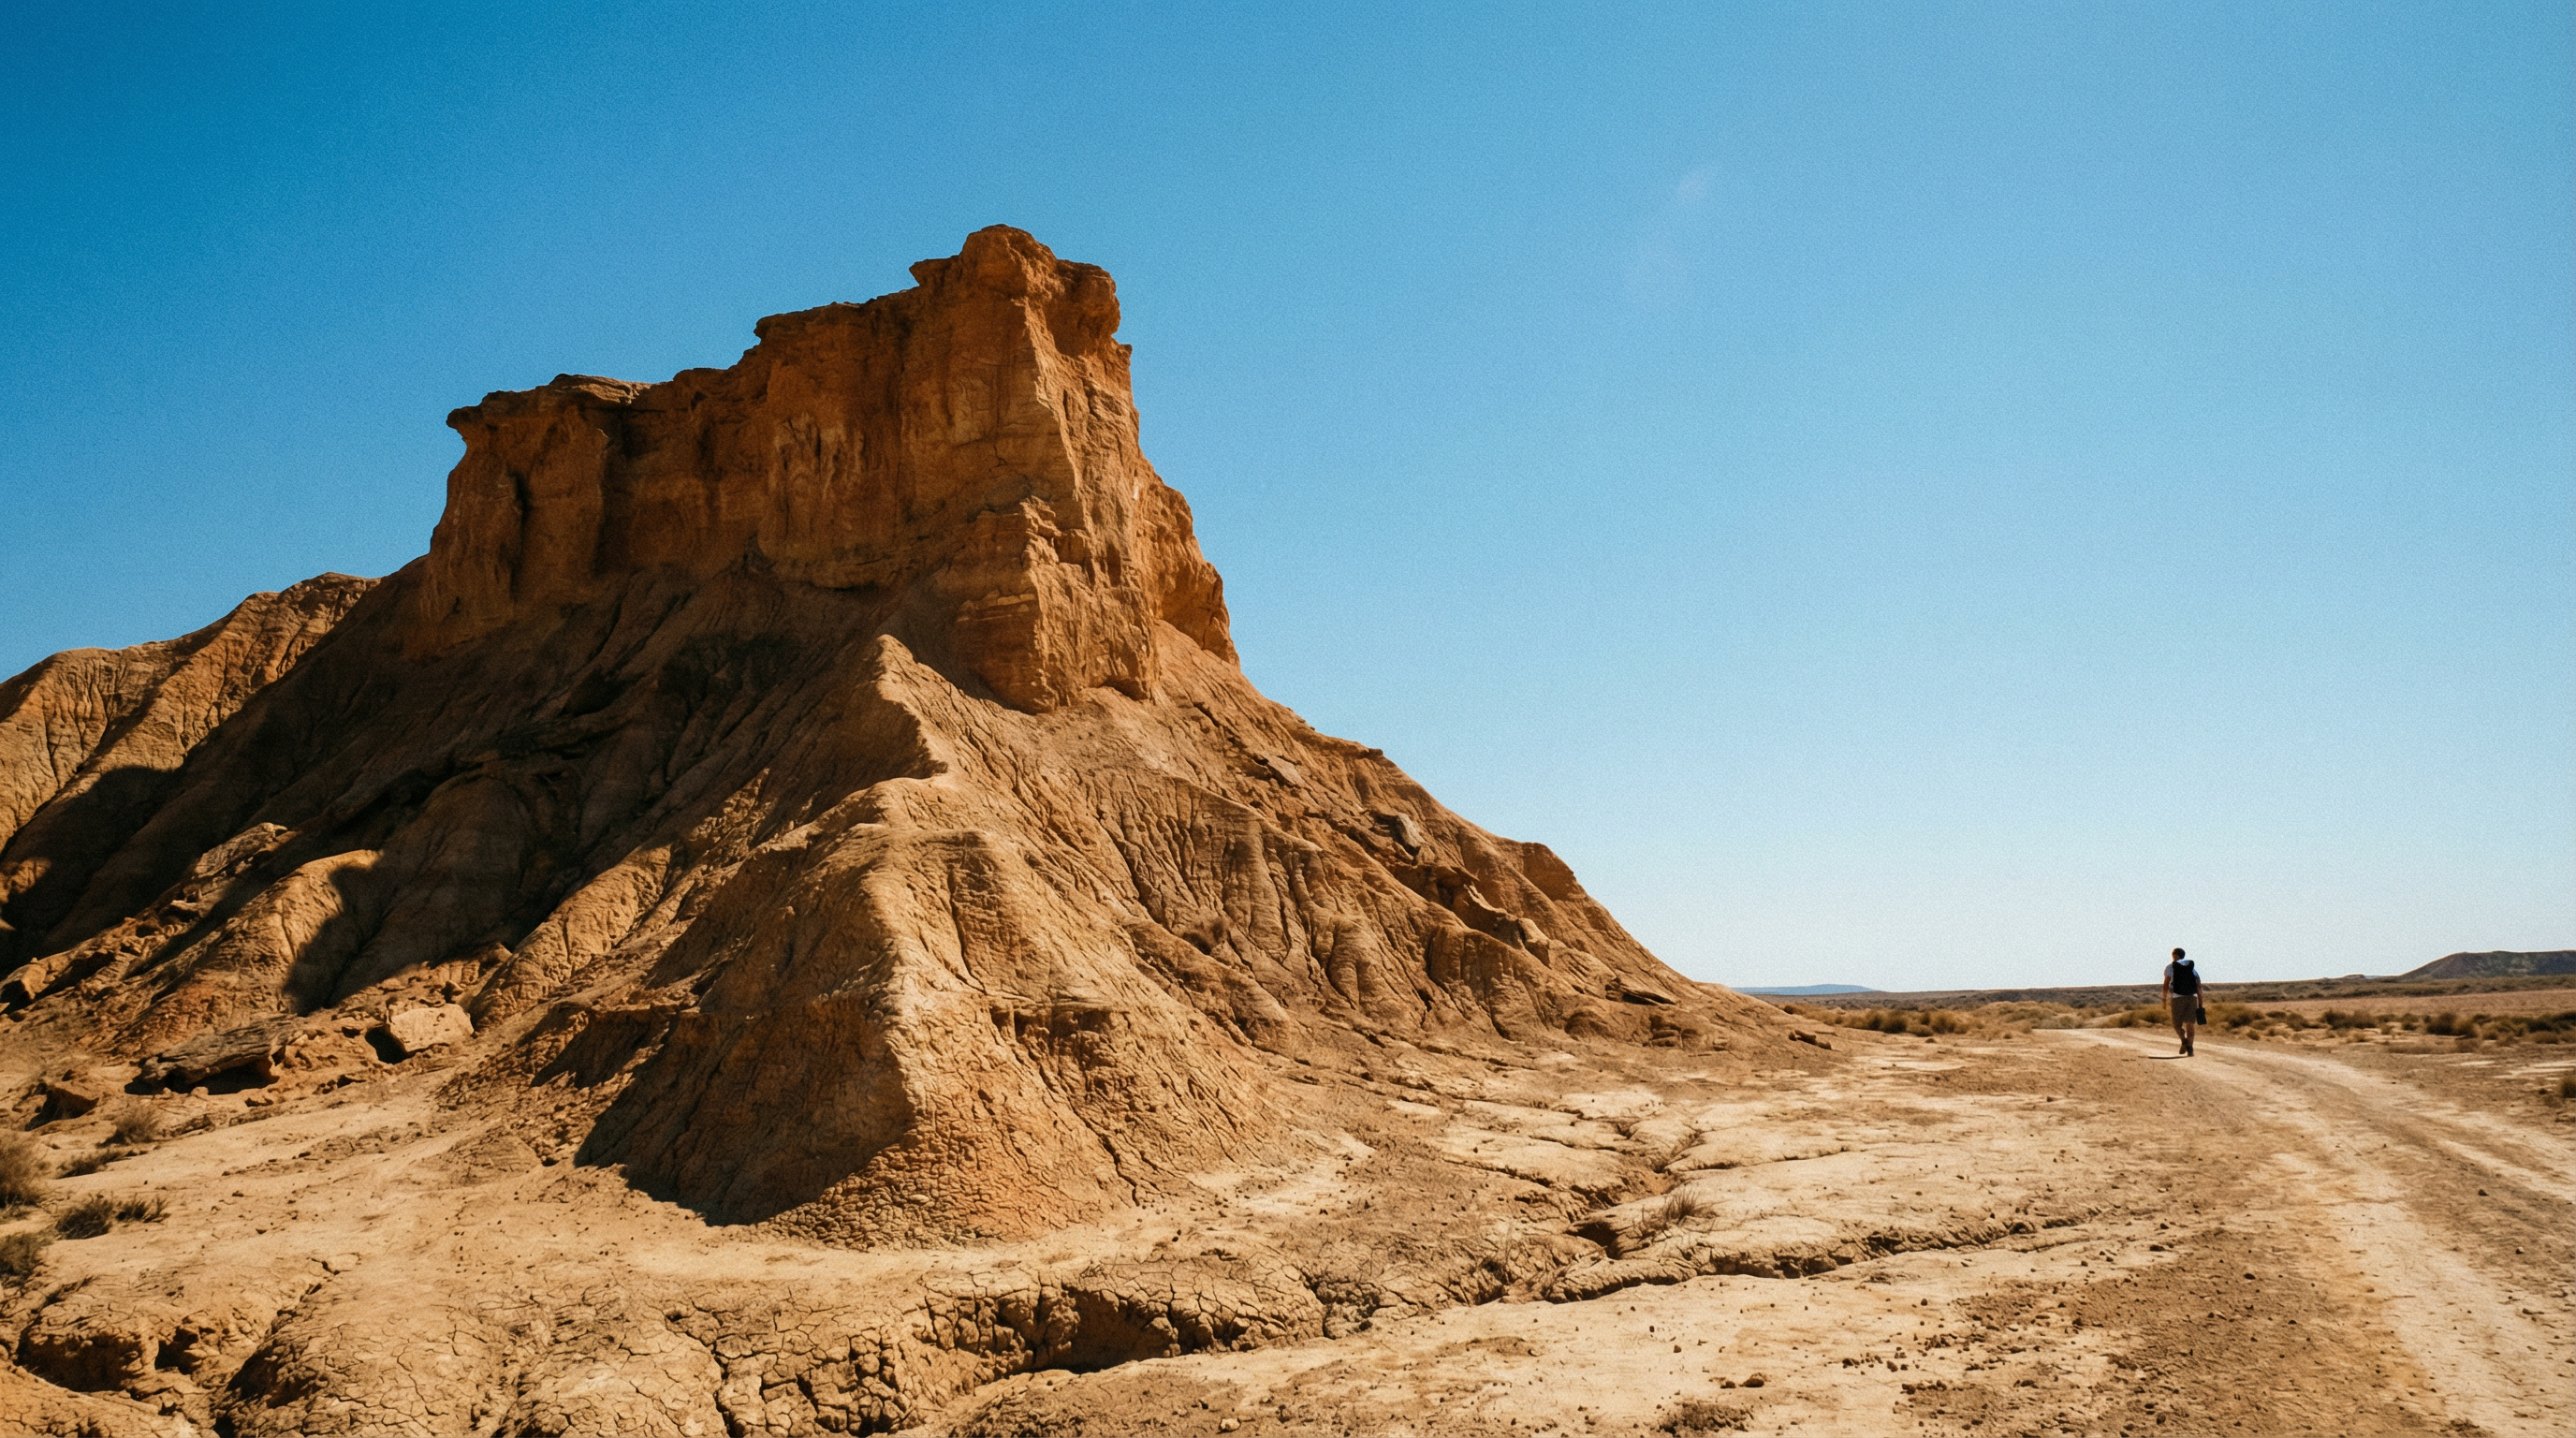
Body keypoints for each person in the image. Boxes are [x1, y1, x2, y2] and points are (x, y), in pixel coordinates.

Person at [2161, 947, 2203, 1056]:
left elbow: (2166, 984)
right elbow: (2198, 986)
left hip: (2177, 998)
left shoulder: (2171, 967)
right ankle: (2190, 1048)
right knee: (2190, 1024)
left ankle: (2184, 1040)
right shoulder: (2191, 968)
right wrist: (2200, 1004)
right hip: (2192, 997)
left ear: (2174, 955)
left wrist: (2164, 999)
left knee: (2176, 1024)